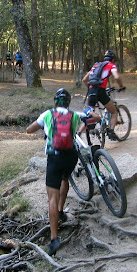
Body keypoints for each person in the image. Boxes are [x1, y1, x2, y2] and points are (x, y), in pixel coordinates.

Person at [26, 89, 99, 256]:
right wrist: (88, 113)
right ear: (68, 102)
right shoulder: (75, 115)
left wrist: (40, 128)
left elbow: (30, 130)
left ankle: (54, 239)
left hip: (54, 157)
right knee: (65, 178)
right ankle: (60, 211)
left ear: (55, 102)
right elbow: (96, 118)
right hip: (71, 156)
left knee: (52, 196)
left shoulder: (47, 114)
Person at [81, 50, 125, 141]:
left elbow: (85, 79)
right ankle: (111, 131)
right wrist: (121, 86)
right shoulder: (111, 65)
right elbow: (117, 77)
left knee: (89, 113)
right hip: (100, 91)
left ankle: (78, 133)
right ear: (113, 59)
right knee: (114, 112)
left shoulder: (96, 65)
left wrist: (90, 89)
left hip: (91, 90)